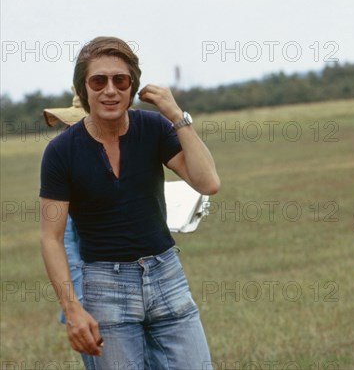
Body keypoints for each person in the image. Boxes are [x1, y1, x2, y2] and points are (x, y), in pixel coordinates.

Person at [40, 36, 220, 369]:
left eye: (120, 80)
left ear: (131, 86)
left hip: (166, 275)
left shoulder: (154, 129)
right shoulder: (60, 152)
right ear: (84, 88)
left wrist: (176, 116)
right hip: (106, 285)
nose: (110, 90)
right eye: (98, 81)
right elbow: (51, 239)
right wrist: (72, 308)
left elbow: (208, 182)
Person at [43, 93, 94, 369]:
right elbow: (64, 246)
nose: (66, 131)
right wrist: (79, 306)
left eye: (71, 125)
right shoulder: (68, 170)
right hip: (91, 302)